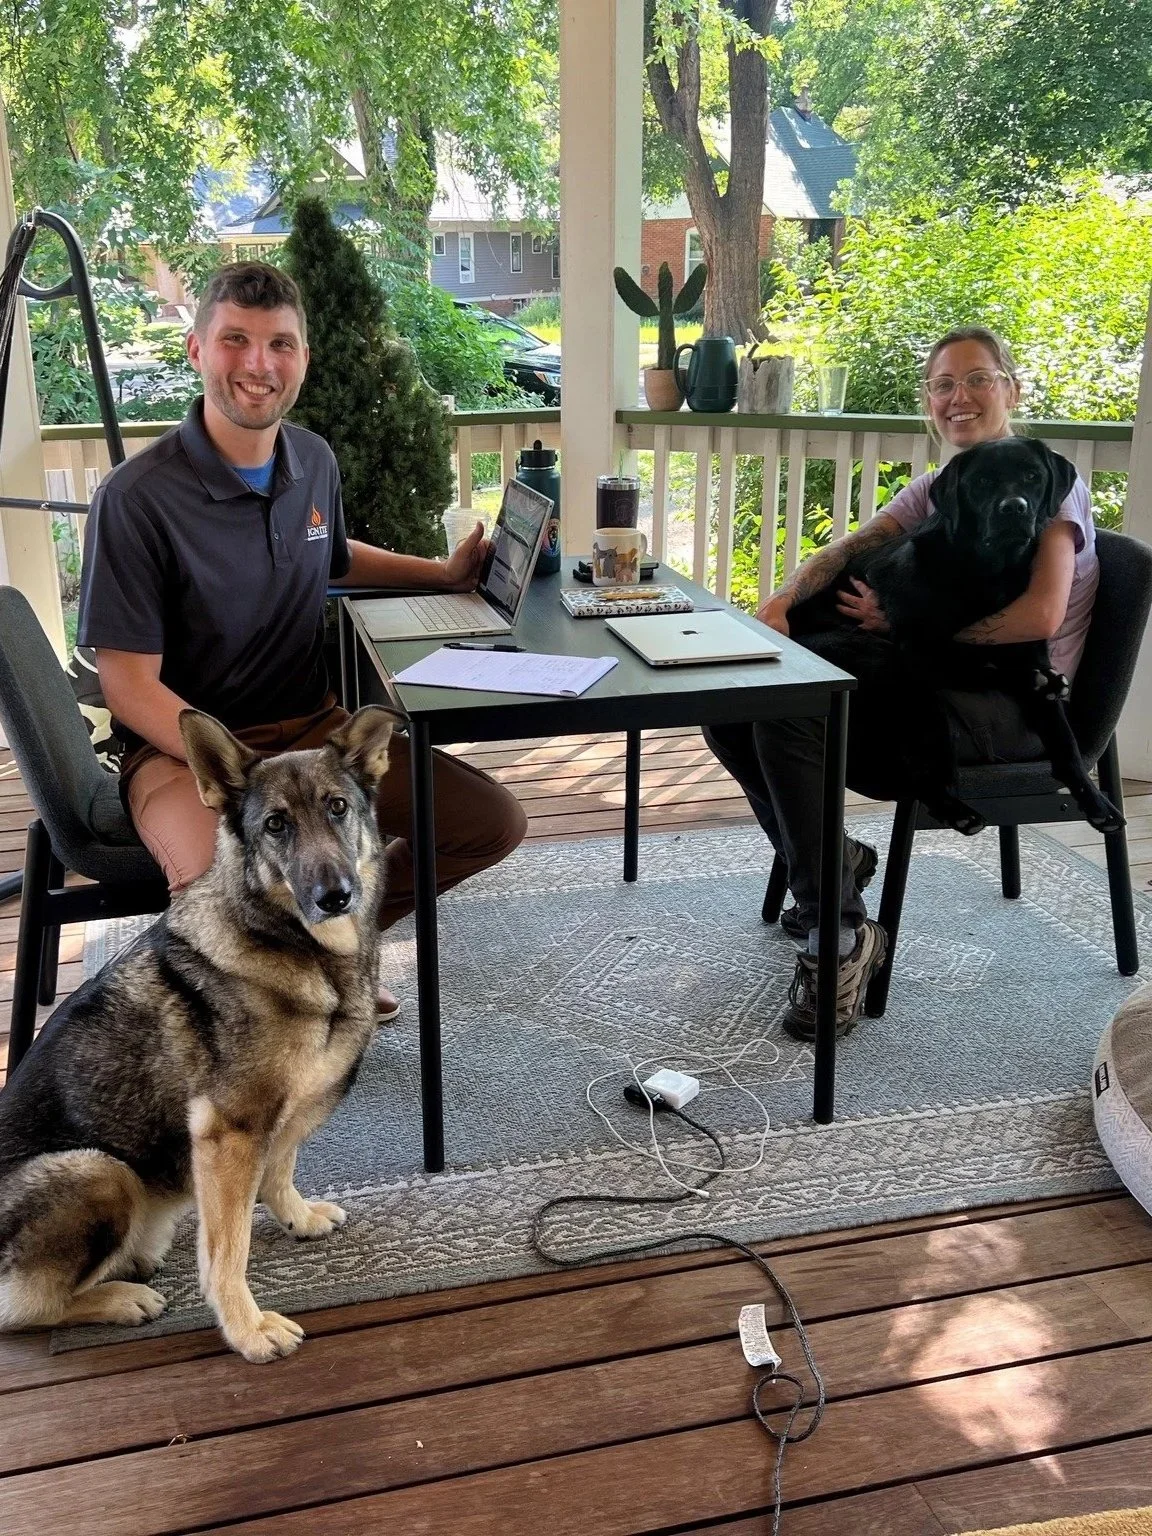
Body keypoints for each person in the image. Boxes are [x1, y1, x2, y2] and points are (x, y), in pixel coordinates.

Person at [76, 262, 528, 1018]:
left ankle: (327, 942)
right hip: (183, 753)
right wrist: (239, 774)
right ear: (196, 350)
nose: (259, 364)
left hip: (315, 736)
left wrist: (443, 575)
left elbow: (337, 557)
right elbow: (128, 686)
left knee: (488, 823)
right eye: (235, 341)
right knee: (219, 903)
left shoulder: (312, 459)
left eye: (280, 344)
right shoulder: (135, 499)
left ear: (303, 360)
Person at [705, 327, 1098, 1042]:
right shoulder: (945, 486)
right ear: (930, 401)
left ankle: (840, 939)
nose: (960, 397)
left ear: (1011, 389)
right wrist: (783, 601)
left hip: (1013, 706)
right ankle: (834, 869)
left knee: (793, 712)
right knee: (734, 709)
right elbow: (853, 546)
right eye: (944, 384)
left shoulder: (1041, 490)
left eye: (978, 379)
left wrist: (908, 629)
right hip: (932, 682)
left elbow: (1037, 616)